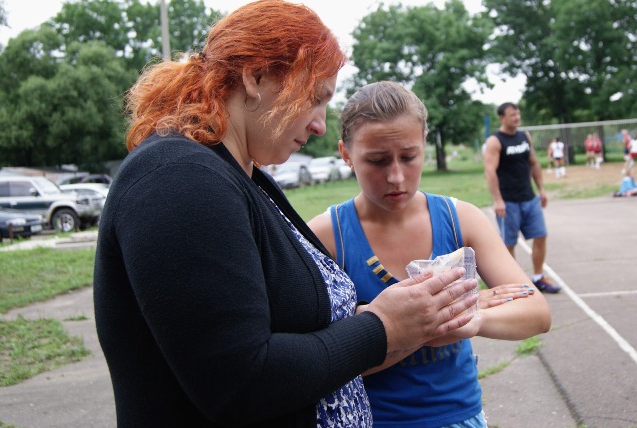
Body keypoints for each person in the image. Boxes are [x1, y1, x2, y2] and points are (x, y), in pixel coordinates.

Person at [93, 2, 479, 427]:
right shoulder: (177, 177)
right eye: (316, 99)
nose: (319, 125)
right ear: (256, 77)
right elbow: (240, 382)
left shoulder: (237, 173)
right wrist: (382, 325)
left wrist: (414, 313)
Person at [308, 82, 552, 428]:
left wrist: (474, 318)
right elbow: (321, 359)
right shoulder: (325, 236)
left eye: (409, 156)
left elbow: (536, 311)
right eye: (377, 161)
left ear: (424, 140)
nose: (396, 176)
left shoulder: (460, 219)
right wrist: (431, 320)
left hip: (460, 416)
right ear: (346, 154)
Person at [484, 102, 561, 293]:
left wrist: (541, 189)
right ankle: (513, 283)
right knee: (508, 244)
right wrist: (497, 200)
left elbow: (533, 163)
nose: (517, 117)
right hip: (508, 201)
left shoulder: (524, 136)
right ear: (502, 117)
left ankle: (538, 277)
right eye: (512, 115)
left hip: (529, 197)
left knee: (541, 235)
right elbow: (490, 171)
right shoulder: (495, 141)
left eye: (518, 114)